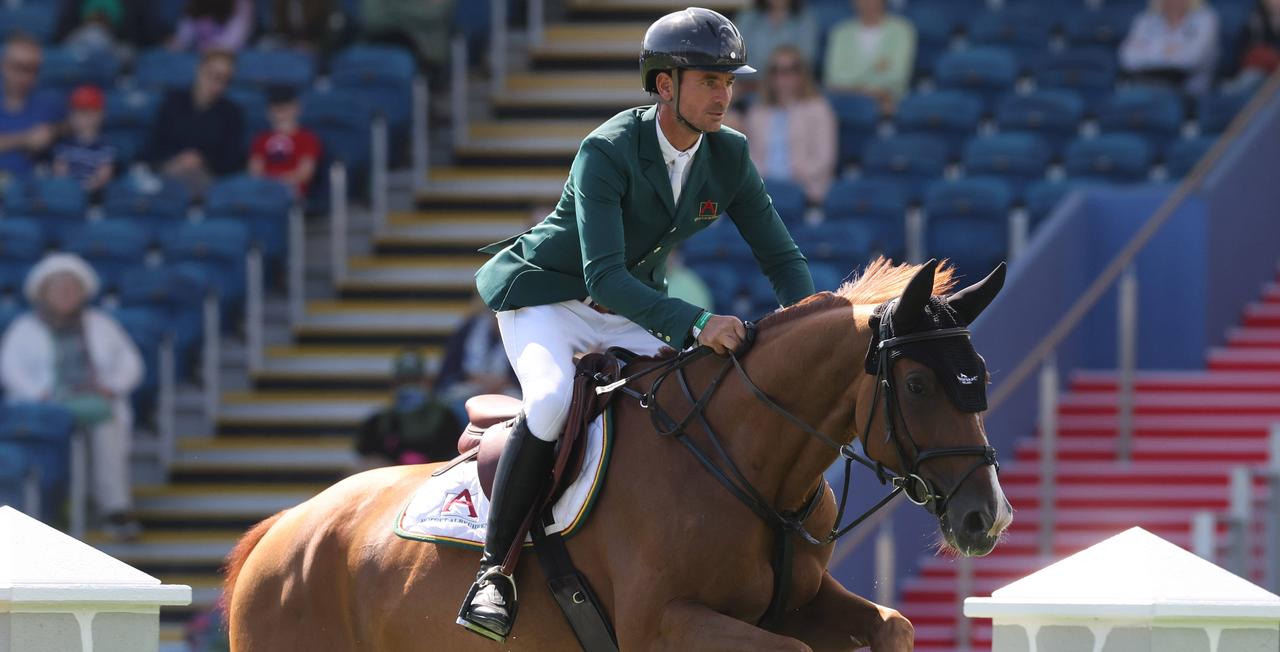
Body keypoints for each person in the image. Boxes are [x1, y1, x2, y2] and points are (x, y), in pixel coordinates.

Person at [457, 7, 815, 641]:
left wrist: (813, 323)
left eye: (730, 82)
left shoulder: (728, 154)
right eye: (710, 80)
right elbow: (604, 278)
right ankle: (496, 572)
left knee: (699, 391)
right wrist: (698, 320)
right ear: (664, 85)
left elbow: (780, 256)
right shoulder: (608, 150)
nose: (724, 95)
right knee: (548, 402)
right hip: (550, 301)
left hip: (628, 308)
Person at [0, 254, 144, 540]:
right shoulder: (23, 328)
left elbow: (131, 363)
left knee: (104, 418)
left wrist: (113, 387)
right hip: (42, 407)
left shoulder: (101, 323)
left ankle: (114, 507)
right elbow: (9, 368)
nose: (66, 293)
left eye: (72, 287)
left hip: (93, 402)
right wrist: (37, 394)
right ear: (43, 293)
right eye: (58, 288)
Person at [740, 46, 837, 204]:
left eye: (791, 70)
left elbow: (824, 159)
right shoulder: (757, 112)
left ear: (802, 74)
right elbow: (749, 157)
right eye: (775, 70)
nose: (782, 77)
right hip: (763, 189)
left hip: (805, 190)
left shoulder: (818, 109)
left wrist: (795, 175)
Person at [143, 49, 244, 197]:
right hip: (169, 170)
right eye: (214, 75)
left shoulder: (232, 113)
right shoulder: (172, 103)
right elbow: (154, 147)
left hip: (208, 179)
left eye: (225, 80)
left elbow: (232, 159)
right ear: (200, 69)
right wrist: (177, 160)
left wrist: (202, 160)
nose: (218, 84)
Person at [354, 349, 461, 469]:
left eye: (415, 380)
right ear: (393, 384)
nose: (409, 386)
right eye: (403, 381)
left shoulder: (446, 418)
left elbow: (454, 458)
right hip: (393, 481)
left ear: (427, 383)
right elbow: (367, 459)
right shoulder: (377, 422)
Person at [823, 0, 916, 112]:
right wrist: (870, 89)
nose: (867, 2)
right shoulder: (840, 32)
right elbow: (833, 77)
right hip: (845, 102)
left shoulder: (902, 30)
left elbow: (897, 77)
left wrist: (852, 83)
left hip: (889, 104)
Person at [436, 297, 519, 422]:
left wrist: (504, 382)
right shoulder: (468, 329)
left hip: (505, 389)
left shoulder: (519, 332)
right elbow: (450, 369)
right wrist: (472, 377)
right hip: (469, 385)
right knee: (457, 405)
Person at [0, 34, 63, 186]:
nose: (24, 76)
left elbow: (73, 125)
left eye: (32, 69)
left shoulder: (49, 103)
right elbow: (29, 139)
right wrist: (26, 139)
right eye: (18, 67)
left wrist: (52, 132)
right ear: (4, 65)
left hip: (30, 194)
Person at [1120, 0, 1220, 94]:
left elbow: (1190, 60)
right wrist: (1168, 50)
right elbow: (1127, 59)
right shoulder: (1146, 19)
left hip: (1188, 94)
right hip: (1144, 87)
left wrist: (1147, 49)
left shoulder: (1205, 19)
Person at [248, 86, 320, 197]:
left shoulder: (307, 138)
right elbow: (255, 172)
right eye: (276, 109)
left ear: (297, 108)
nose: (281, 113)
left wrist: (278, 182)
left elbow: (305, 173)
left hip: (291, 192)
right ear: (268, 112)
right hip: (263, 191)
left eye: (286, 108)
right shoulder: (261, 139)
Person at [53, 85, 116, 196]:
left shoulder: (105, 145)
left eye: (91, 113)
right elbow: (60, 170)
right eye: (81, 113)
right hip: (69, 194)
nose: (85, 119)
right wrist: (70, 188)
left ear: (101, 115)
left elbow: (105, 172)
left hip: (94, 196)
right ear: (71, 116)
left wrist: (91, 186)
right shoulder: (65, 144)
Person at [734, 0, 818, 76]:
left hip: (791, 84)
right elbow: (737, 58)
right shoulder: (747, 18)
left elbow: (806, 60)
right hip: (749, 84)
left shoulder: (805, 19)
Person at [169, 0, 254, 52]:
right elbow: (184, 36)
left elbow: (236, 38)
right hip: (197, 55)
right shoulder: (194, 4)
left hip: (230, 55)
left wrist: (214, 48)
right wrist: (177, 43)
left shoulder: (242, 3)